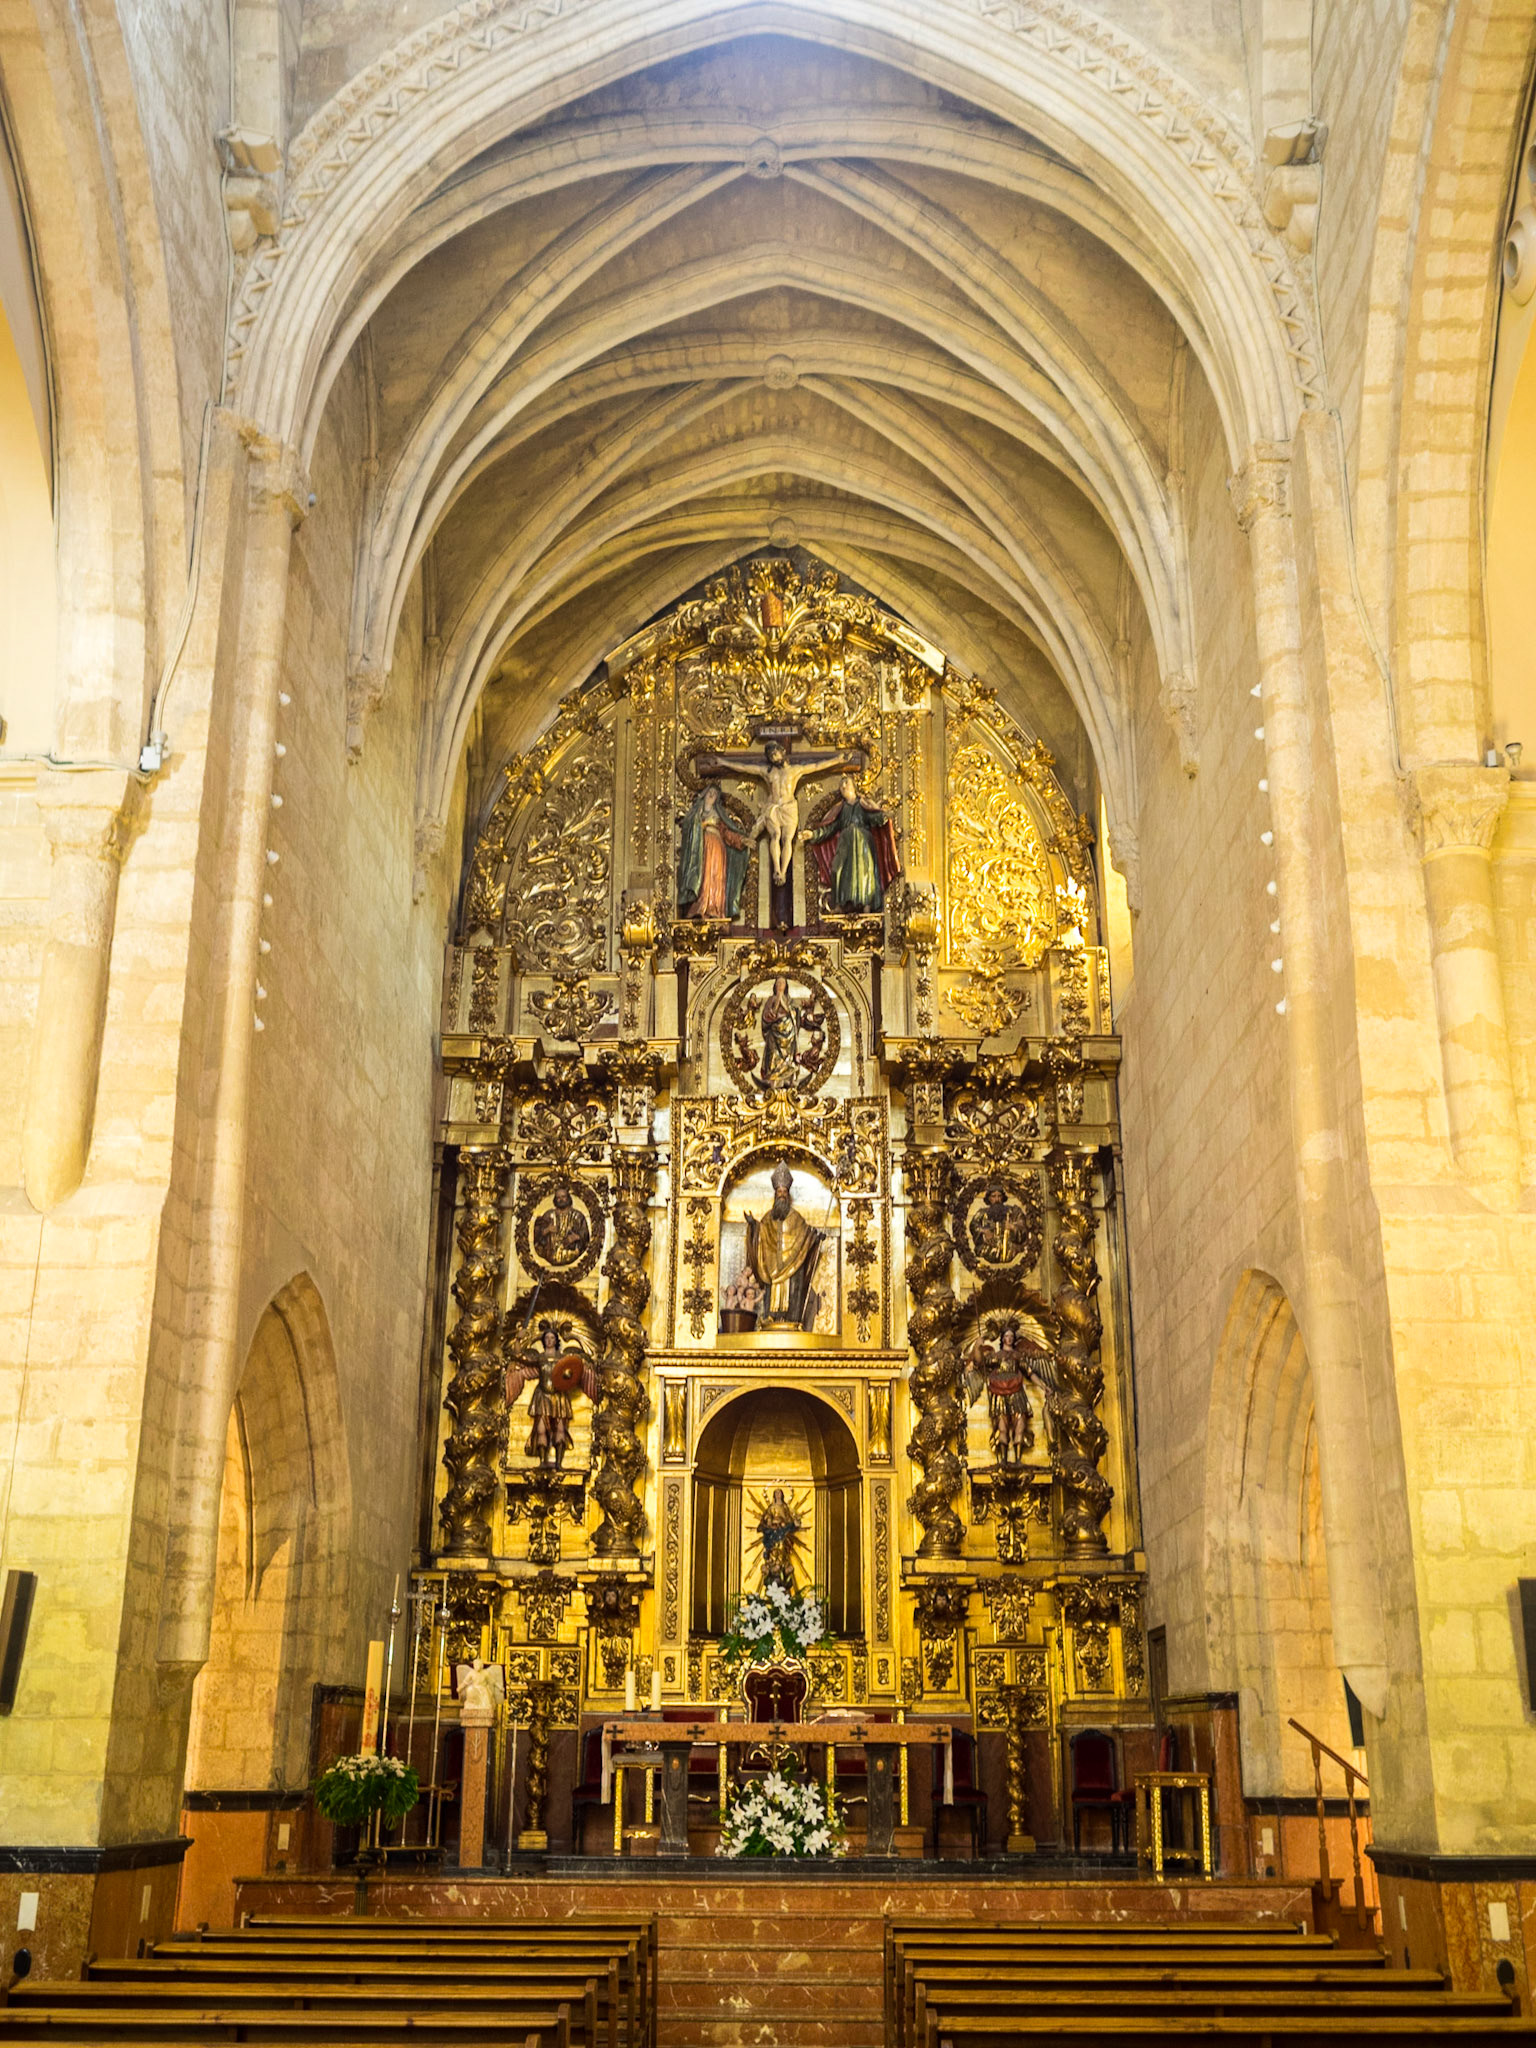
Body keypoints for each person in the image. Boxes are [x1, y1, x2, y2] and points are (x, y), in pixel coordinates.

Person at [505, 1320, 598, 1468]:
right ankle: (542, 1461)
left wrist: (569, 1376)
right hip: (542, 1396)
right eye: (547, 1338)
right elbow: (519, 1356)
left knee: (561, 1429)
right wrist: (518, 1338)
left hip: (559, 1396)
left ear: (556, 1341)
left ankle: (559, 1464)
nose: (549, 1340)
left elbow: (576, 1371)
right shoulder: (539, 1358)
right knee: (541, 1429)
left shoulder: (563, 1358)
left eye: (552, 1338)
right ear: (543, 1340)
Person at [745, 1162, 826, 1327]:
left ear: (788, 1195)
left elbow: (806, 1237)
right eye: (779, 1192)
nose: (781, 1195)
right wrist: (753, 1225)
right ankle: (771, 1317)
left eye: (784, 1192)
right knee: (771, 1288)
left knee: (794, 1290)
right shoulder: (768, 1218)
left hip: (793, 1268)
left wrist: (816, 1238)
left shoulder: (796, 1218)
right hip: (773, 1268)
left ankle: (791, 1320)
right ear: (775, 1195)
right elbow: (760, 1234)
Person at [806, 773, 900, 912]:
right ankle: (839, 905)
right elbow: (830, 827)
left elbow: (873, 817)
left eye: (846, 783)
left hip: (863, 840)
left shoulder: (863, 804)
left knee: (864, 871)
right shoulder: (840, 809)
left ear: (854, 787)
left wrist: (884, 816)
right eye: (841, 784)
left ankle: (866, 905)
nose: (843, 786)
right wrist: (813, 834)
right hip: (845, 841)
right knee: (837, 869)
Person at [677, 781, 749, 920]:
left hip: (718, 848)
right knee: (705, 876)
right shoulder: (697, 812)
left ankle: (715, 908)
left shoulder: (719, 815)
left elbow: (727, 832)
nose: (711, 795)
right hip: (703, 847)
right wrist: (701, 824)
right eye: (709, 793)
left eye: (714, 794)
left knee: (717, 877)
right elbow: (689, 828)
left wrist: (742, 840)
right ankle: (702, 906)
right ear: (704, 795)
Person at [532, 1183, 590, 1267]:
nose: (561, 1200)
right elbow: (537, 1235)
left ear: (568, 1198)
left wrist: (577, 1237)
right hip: (550, 1253)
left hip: (571, 1254)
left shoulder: (578, 1216)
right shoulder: (548, 1215)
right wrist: (547, 1230)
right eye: (558, 1198)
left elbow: (585, 1235)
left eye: (563, 1197)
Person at [756, 1487, 802, 1593]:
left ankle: (782, 1568)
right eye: (776, 1493)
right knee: (772, 1553)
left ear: (782, 1495)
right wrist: (771, 1523)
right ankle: (773, 1566)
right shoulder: (771, 1508)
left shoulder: (785, 1507)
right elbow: (765, 1519)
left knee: (782, 1553)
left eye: (779, 1493)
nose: (778, 1495)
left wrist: (787, 1523)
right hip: (773, 1534)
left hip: (782, 1533)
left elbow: (789, 1519)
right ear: (774, 1495)